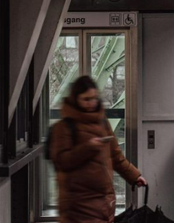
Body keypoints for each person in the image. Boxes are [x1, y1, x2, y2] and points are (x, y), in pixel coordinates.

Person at [50, 76, 147, 223]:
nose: (91, 104)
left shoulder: (102, 122)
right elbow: (62, 161)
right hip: (78, 206)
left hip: (103, 203)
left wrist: (134, 176)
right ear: (75, 99)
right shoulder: (64, 127)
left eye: (94, 98)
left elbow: (116, 156)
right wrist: (88, 147)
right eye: (86, 99)